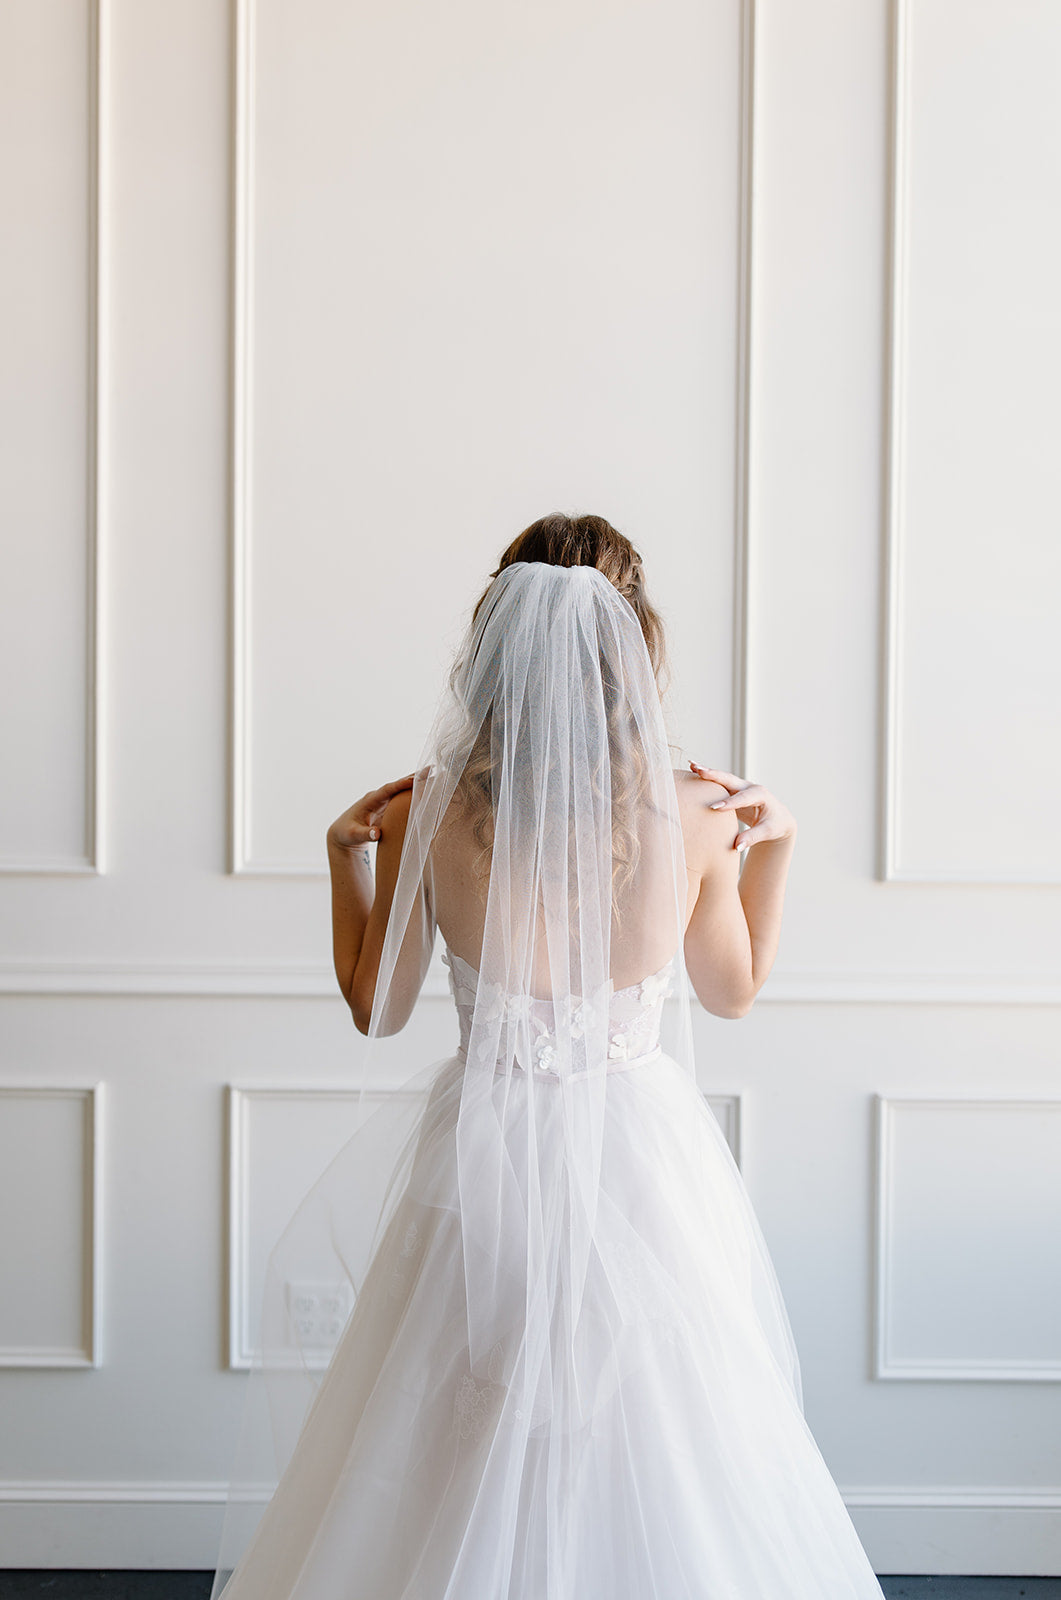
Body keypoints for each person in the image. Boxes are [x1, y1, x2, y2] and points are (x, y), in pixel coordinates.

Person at [209, 514, 886, 1600]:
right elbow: (732, 990)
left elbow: (376, 1008)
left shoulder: (437, 807)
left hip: (480, 1155)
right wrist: (779, 848)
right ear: (633, 646)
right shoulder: (703, 815)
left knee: (456, 1423)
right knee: (659, 1435)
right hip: (639, 1164)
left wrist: (347, 858)